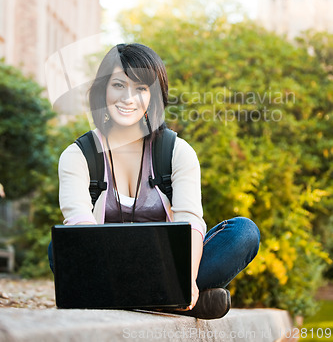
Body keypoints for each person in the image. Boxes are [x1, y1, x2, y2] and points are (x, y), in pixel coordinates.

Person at [49, 43, 260, 319]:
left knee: (243, 233)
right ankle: (169, 302)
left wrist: (186, 279)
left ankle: (146, 298)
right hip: (107, 269)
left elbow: (191, 223)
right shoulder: (78, 156)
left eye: (141, 88)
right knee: (61, 248)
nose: (128, 98)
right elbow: (82, 234)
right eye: (118, 85)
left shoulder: (176, 152)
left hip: (170, 269)